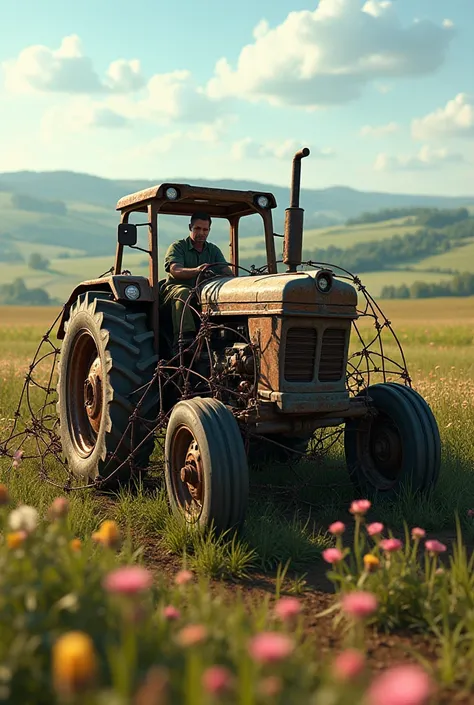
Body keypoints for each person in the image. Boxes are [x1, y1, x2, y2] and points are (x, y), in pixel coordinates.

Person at [161, 212, 233, 351]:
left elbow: (225, 270)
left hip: (202, 293)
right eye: (197, 229)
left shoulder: (213, 250)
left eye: (205, 230)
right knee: (184, 293)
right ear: (190, 227)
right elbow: (176, 270)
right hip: (175, 290)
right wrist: (197, 270)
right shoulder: (178, 247)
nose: (201, 233)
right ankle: (185, 340)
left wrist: (238, 281)